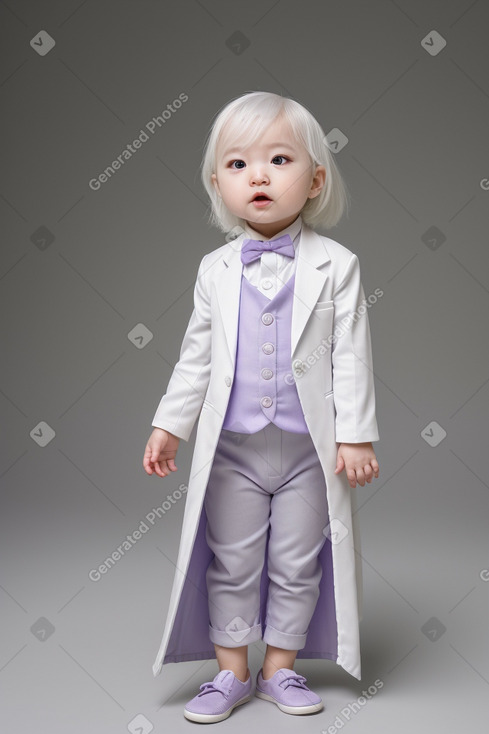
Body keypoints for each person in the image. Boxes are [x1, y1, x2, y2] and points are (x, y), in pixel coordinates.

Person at [143, 90, 380, 723]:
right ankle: (229, 672)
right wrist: (170, 423)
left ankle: (281, 669)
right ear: (217, 182)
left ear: (315, 180)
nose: (259, 177)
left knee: (298, 561)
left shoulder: (338, 266)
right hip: (234, 452)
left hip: (309, 453)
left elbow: (351, 356)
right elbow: (195, 357)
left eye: (279, 159)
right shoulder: (214, 269)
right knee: (233, 559)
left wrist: (355, 435)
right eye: (238, 164)